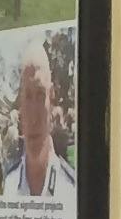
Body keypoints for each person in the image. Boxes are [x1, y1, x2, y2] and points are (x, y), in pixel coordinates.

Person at [7, 47, 73, 198]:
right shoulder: (9, 186)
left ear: (52, 98)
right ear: (20, 104)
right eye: (28, 96)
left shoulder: (71, 190)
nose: (34, 118)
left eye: (41, 95)